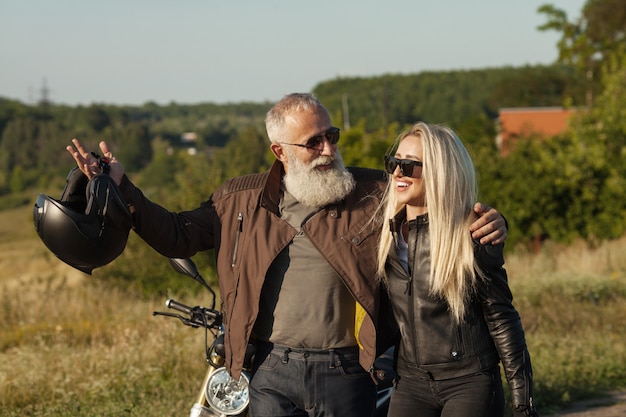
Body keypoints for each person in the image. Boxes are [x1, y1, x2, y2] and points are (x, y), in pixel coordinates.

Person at [66, 93, 507, 417]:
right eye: (313, 143)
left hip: (347, 372)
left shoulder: (372, 192)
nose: (329, 151)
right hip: (270, 371)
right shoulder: (239, 199)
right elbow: (177, 236)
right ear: (280, 151)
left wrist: (491, 220)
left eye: (331, 136)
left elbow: (439, 192)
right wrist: (123, 189)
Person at [374, 122, 537, 417]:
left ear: (439, 172)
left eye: (409, 166)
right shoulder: (386, 236)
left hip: (469, 382)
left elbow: (502, 317)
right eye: (394, 162)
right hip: (409, 382)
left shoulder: (473, 233)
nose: (397, 172)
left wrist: (522, 400)